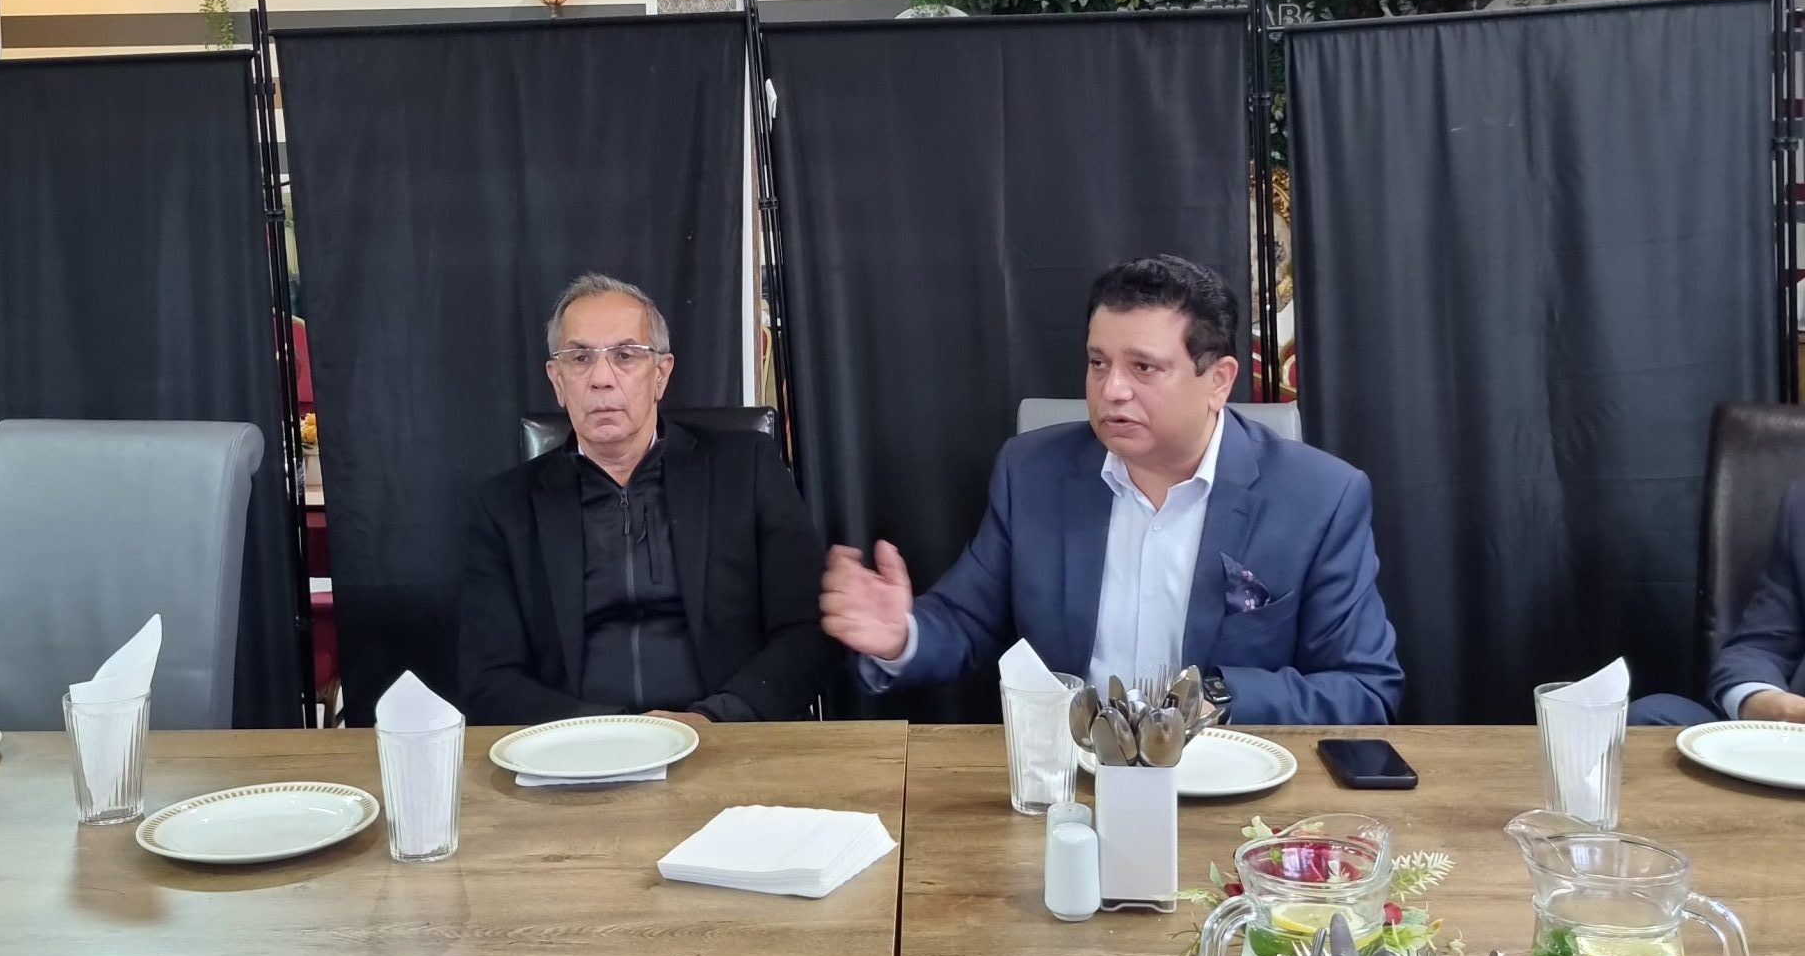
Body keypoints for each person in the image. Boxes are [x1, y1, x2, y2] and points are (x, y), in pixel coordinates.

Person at [821, 253, 1403, 726]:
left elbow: (1364, 690)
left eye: (1143, 368)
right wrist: (902, 636)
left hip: (1232, 783)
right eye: (1098, 363)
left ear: (1218, 381)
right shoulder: (1033, 472)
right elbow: (965, 621)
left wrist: (1217, 699)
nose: (1111, 390)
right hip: (1070, 784)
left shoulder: (1319, 497)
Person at [459, 273, 835, 723]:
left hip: (726, 736)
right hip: (578, 744)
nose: (601, 379)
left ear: (660, 374)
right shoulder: (504, 507)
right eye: (580, 358)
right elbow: (488, 677)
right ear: (557, 381)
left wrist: (718, 718)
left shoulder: (746, 470)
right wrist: (610, 731)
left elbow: (807, 632)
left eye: (625, 355)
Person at [1632, 480, 1805, 726]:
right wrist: (1775, 708)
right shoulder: (1800, 504)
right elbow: (1764, 646)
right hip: (1791, 733)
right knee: (1649, 715)